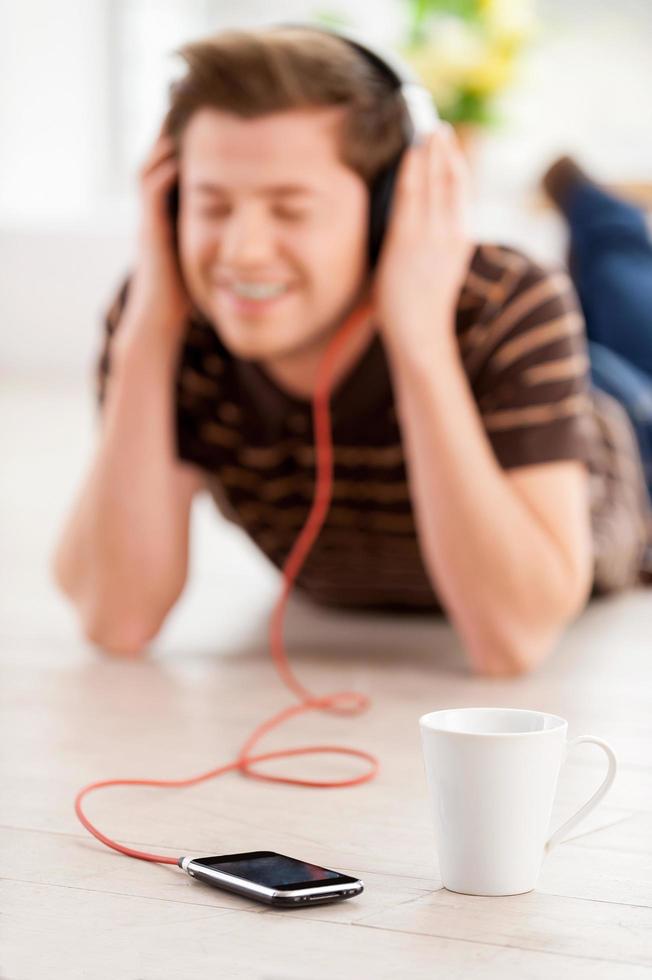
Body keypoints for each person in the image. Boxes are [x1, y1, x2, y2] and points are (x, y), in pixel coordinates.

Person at [51, 26, 651, 678]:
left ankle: (601, 217)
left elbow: (511, 639)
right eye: (211, 204)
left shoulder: (506, 303)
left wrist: (419, 338)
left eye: (290, 209)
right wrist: (149, 333)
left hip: (627, 451)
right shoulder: (166, 320)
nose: (242, 250)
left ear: (388, 211)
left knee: (626, 297)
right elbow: (117, 618)